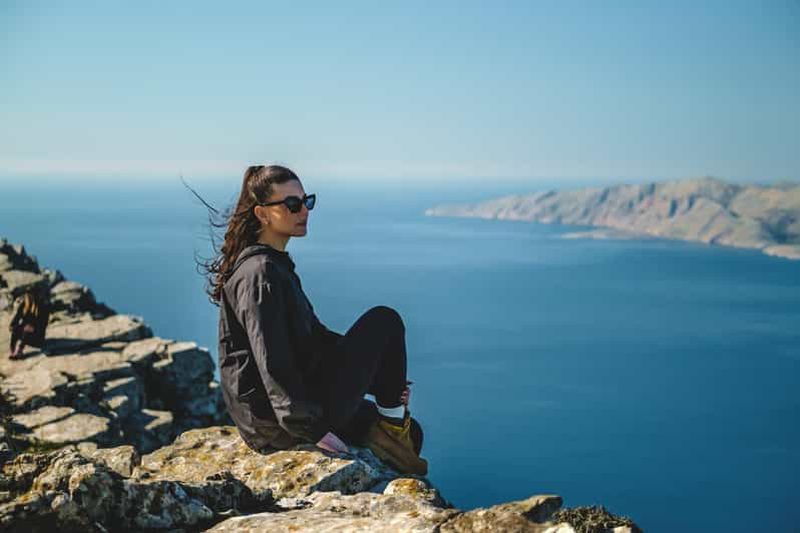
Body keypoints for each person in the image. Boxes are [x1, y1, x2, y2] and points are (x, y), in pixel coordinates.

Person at [196, 164, 427, 475]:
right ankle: (394, 431)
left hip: (290, 406)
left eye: (307, 201)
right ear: (262, 214)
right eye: (292, 204)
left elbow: (312, 341)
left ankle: (396, 431)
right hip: (279, 424)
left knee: (415, 434)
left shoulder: (272, 265)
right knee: (384, 321)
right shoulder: (260, 273)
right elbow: (271, 359)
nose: (303, 210)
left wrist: (379, 377)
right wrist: (312, 431)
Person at [7, 286, 51, 360]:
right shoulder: (24, 305)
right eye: (27, 295)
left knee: (27, 328)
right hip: (25, 334)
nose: (28, 297)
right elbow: (17, 317)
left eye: (30, 295)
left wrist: (33, 328)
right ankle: (12, 350)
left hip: (37, 337)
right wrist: (12, 325)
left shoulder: (42, 306)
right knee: (16, 328)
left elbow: (43, 325)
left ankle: (19, 351)